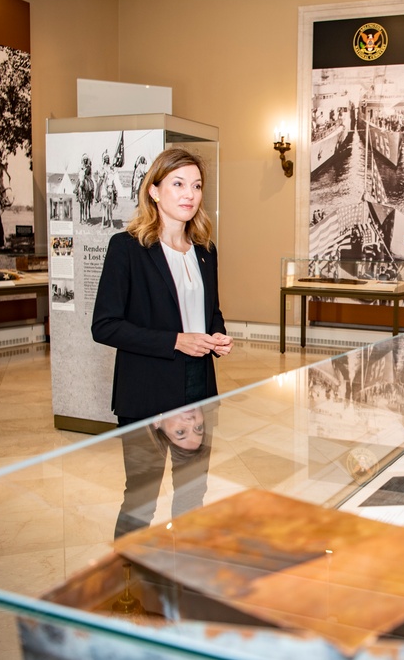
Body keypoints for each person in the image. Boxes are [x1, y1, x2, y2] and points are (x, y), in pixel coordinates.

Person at [92, 147, 233, 428]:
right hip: (146, 388)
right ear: (154, 191)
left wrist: (217, 334)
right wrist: (177, 341)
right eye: (178, 184)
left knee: (193, 474)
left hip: (199, 382)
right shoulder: (126, 248)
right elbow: (105, 326)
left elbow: (211, 311)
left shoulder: (206, 251)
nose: (189, 194)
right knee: (145, 475)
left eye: (196, 186)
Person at [113, 404, 212, 538]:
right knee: (141, 501)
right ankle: (128, 557)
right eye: (198, 428)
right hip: (143, 395)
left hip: (195, 390)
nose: (192, 422)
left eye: (199, 428)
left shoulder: (196, 413)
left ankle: (187, 555)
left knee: (190, 498)